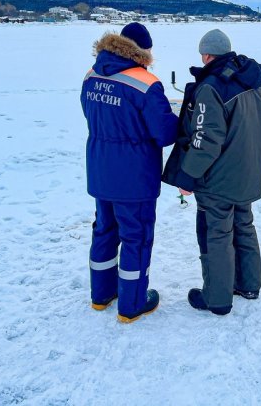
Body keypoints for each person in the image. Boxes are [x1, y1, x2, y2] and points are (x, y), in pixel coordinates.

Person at [162, 29, 261, 315]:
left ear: (207, 55)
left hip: (219, 178)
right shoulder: (249, 80)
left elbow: (205, 139)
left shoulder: (211, 86)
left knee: (216, 233)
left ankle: (216, 297)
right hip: (247, 171)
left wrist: (187, 177)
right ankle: (248, 284)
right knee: (243, 224)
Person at [81, 22, 178, 323]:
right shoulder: (145, 83)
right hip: (134, 177)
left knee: (104, 231)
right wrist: (179, 116)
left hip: (101, 169)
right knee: (136, 236)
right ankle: (132, 303)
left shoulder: (92, 75)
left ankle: (102, 295)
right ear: (142, 50)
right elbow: (163, 132)